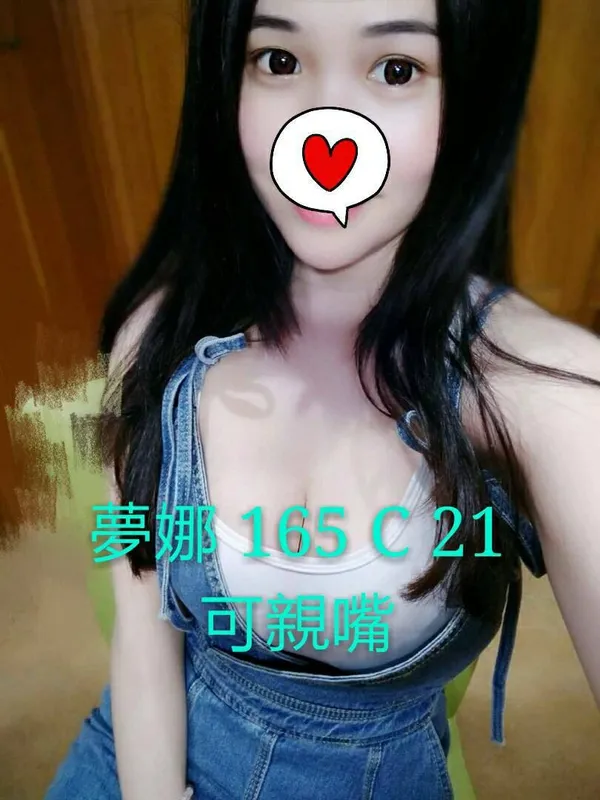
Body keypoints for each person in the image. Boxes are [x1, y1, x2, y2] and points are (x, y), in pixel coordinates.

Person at [46, 0, 600, 798]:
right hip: (132, 752)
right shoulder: (161, 334)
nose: (321, 130)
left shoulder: (543, 391)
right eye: (278, 60)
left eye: (397, 70)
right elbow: (143, 638)